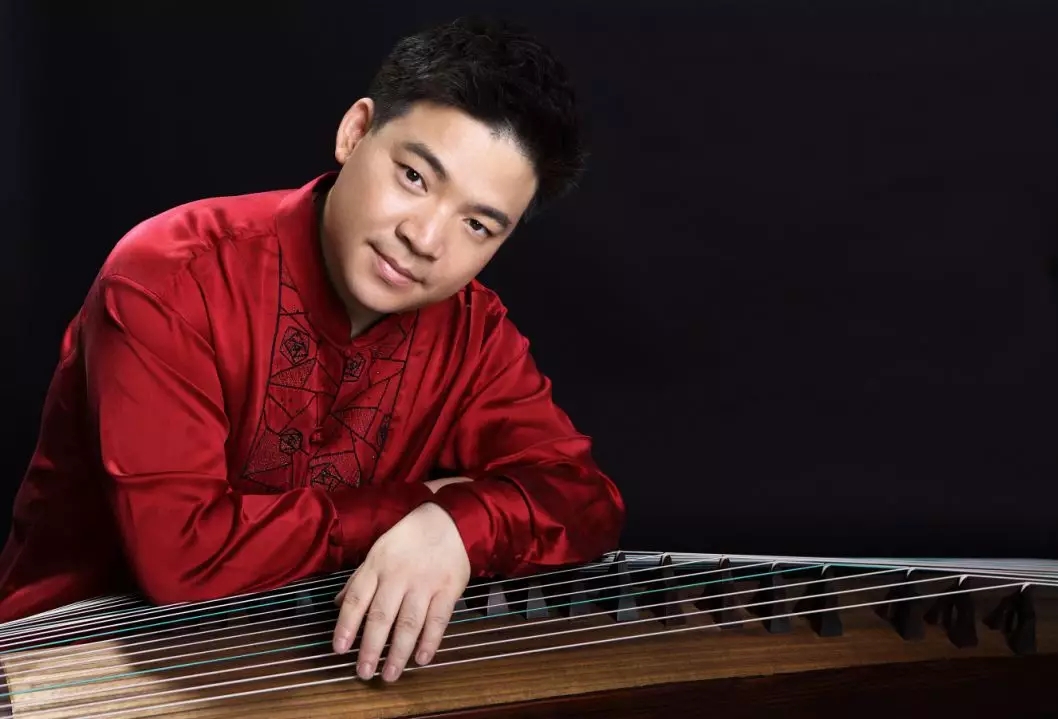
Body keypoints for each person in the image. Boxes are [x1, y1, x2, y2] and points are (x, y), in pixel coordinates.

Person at [0, 16, 625, 683]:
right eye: (414, 177)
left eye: (476, 224)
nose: (425, 239)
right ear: (355, 132)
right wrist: (420, 505)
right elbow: (182, 557)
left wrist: (455, 527)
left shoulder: (473, 332)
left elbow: (583, 499)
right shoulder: (170, 277)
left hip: (304, 669)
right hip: (66, 671)